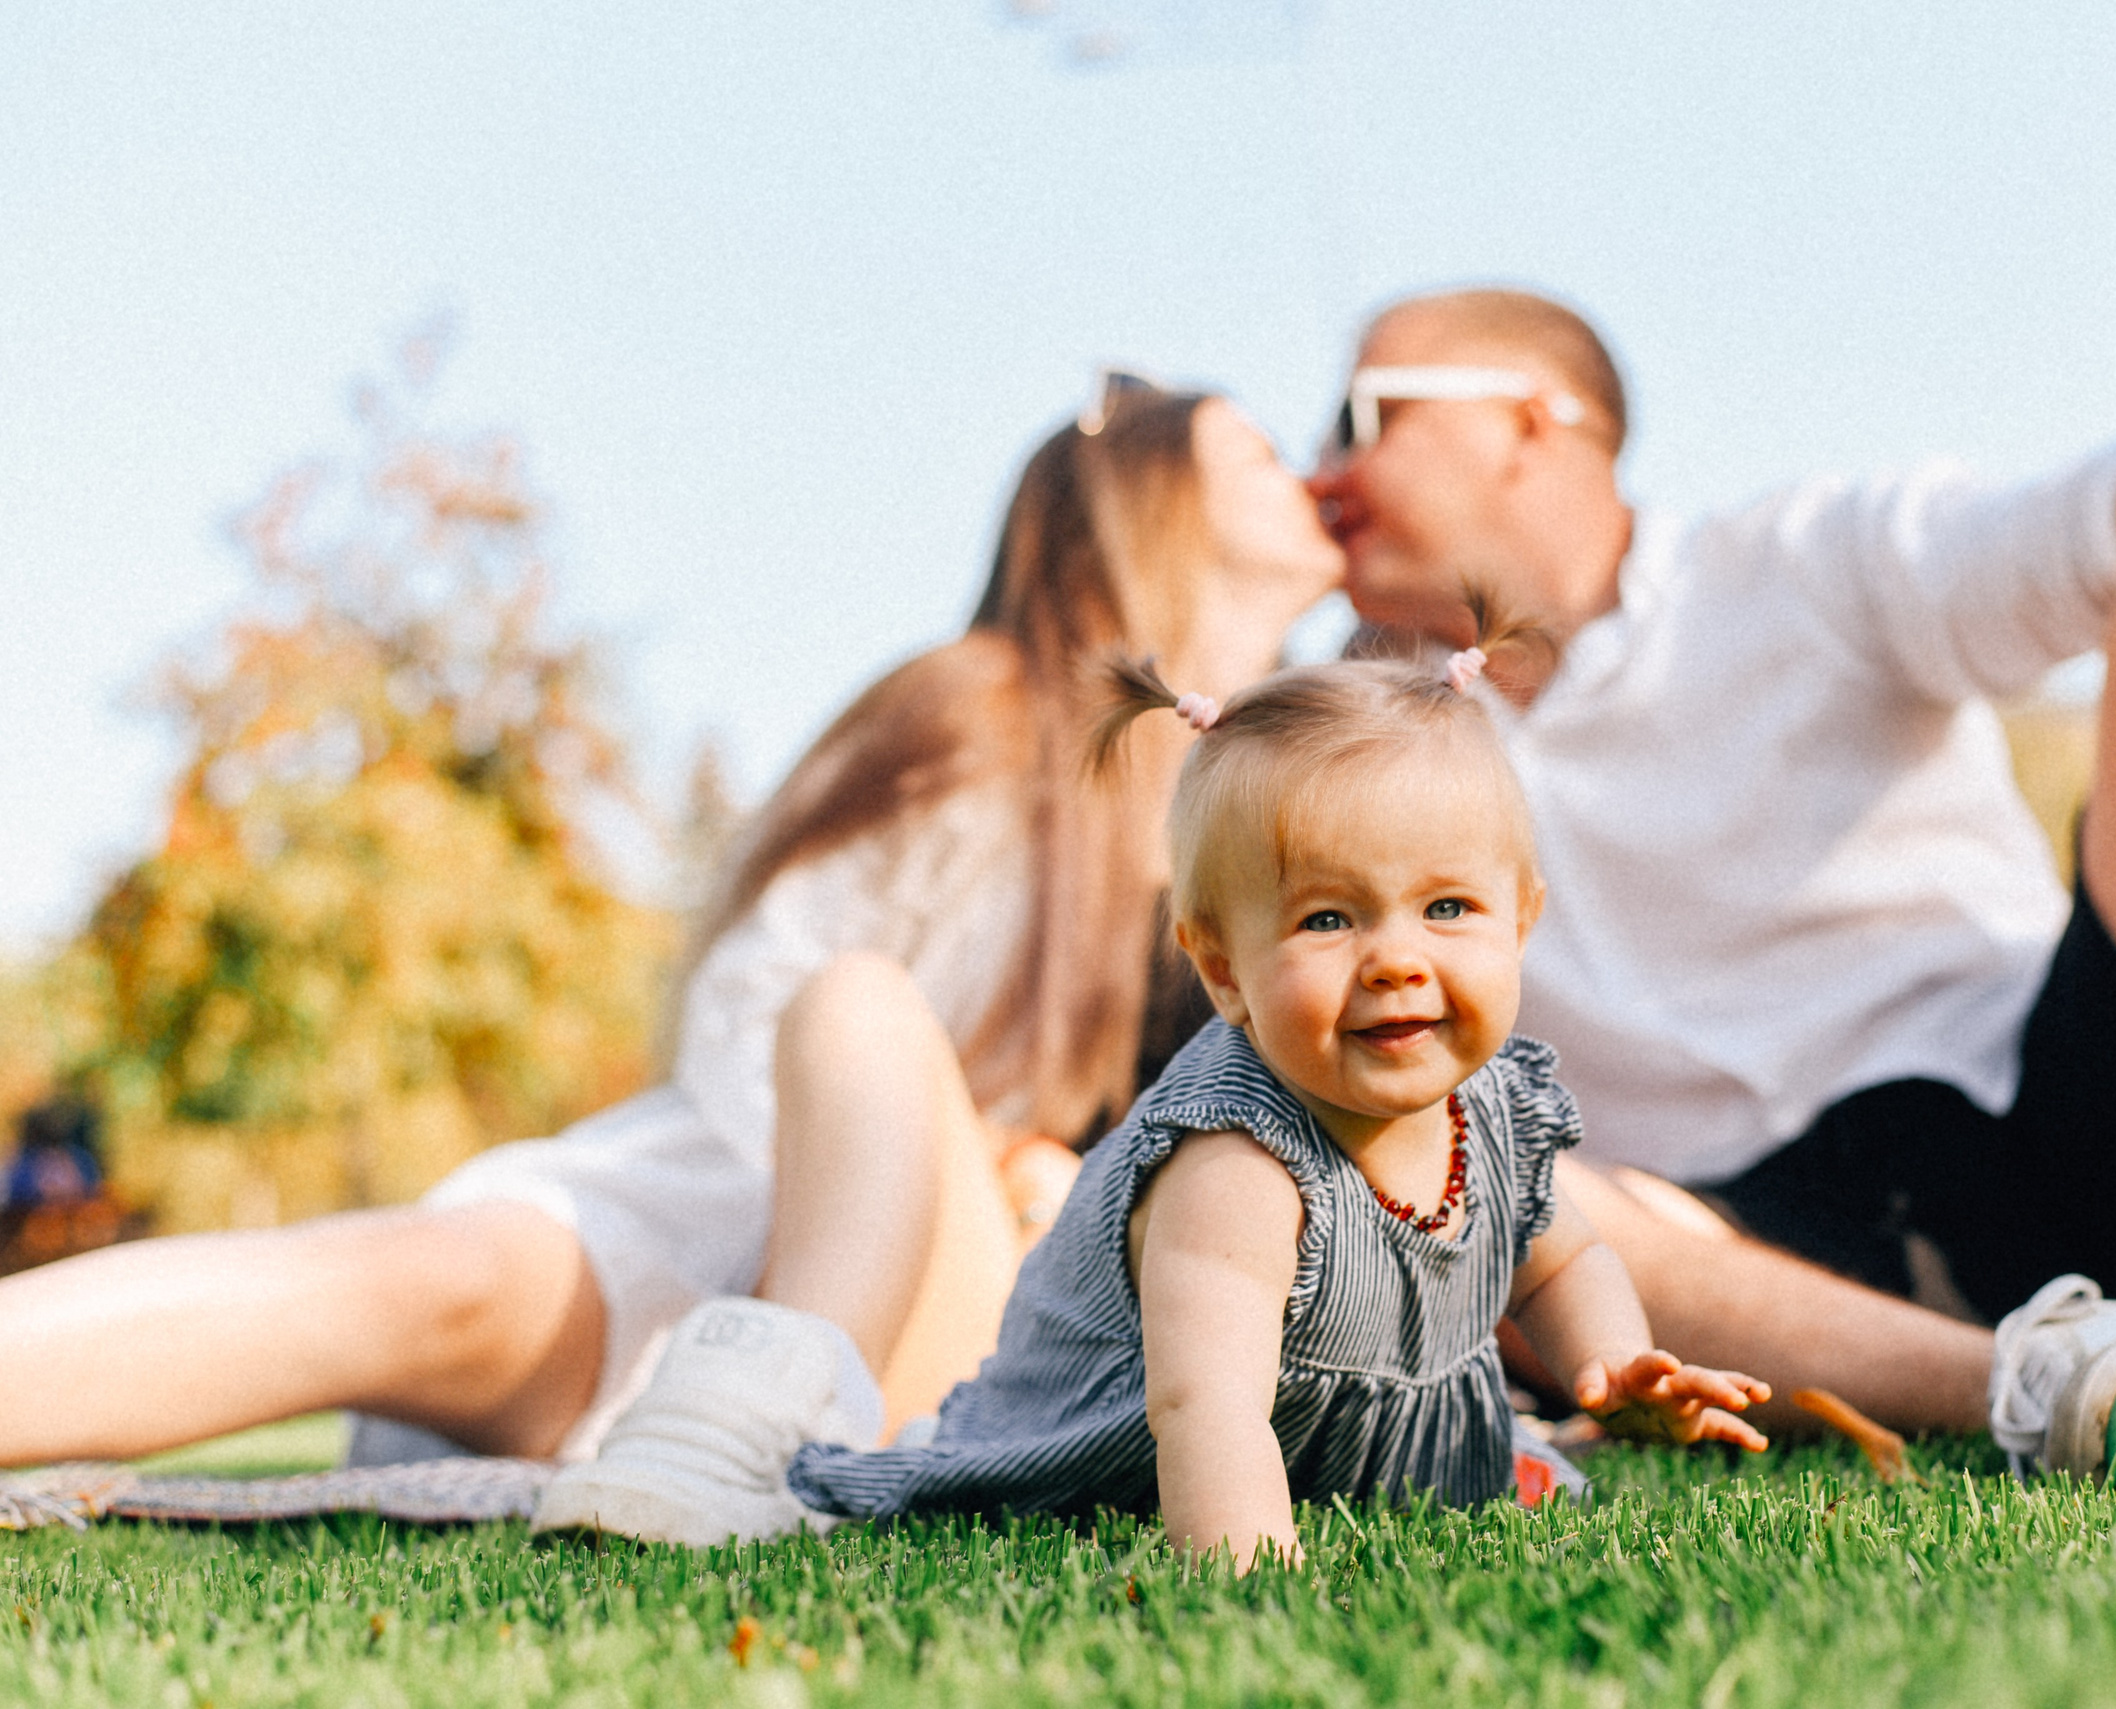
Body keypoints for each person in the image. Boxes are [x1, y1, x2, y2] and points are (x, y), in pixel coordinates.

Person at [1305, 286, 2116, 1461]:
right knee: (1457, 1151)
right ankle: (2076, 1386)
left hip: (2064, 1122)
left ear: (1538, 418)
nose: (1324, 472)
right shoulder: (1349, 754)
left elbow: (2096, 515)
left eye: (1364, 418)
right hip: (1761, 1274)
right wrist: (1251, 572)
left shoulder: (1799, 563)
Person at [0, 376, 1342, 1470]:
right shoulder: (983, 712)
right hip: (734, 1224)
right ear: (1153, 498)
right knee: (422, 1282)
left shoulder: (1275, 806)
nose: (1303, 465)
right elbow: (765, 996)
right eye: (1263, 447)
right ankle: (738, 1413)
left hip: (972, 1322)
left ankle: (752, 1437)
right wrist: (910, 1168)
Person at [533, 640, 1771, 1560]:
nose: (1397, 956)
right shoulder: (1239, 1161)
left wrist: (1612, 1366)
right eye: (1328, 918)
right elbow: (1206, 1403)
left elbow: (1557, 1259)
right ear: (1222, 968)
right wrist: (1247, 1566)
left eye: (1447, 908)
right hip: (1133, 1454)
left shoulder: (1499, 1106)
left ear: (1521, 922)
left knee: (1501, 1452)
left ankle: (1458, 1458)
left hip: (1346, 1445)